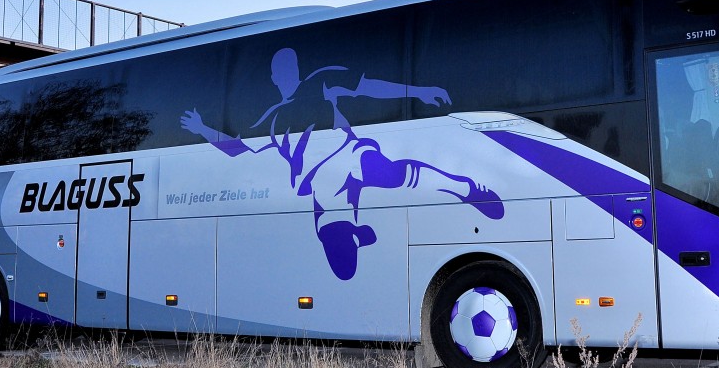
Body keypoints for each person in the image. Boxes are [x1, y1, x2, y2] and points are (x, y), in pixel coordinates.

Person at [181, 47, 502, 280]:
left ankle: (465, 188)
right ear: (274, 77)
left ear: (296, 70)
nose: (286, 75)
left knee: (390, 174)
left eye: (291, 67)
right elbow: (237, 149)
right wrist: (202, 130)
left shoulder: (319, 82)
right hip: (319, 181)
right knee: (342, 265)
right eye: (281, 70)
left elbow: (369, 86)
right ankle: (351, 232)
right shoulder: (271, 119)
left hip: (348, 155)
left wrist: (418, 91)